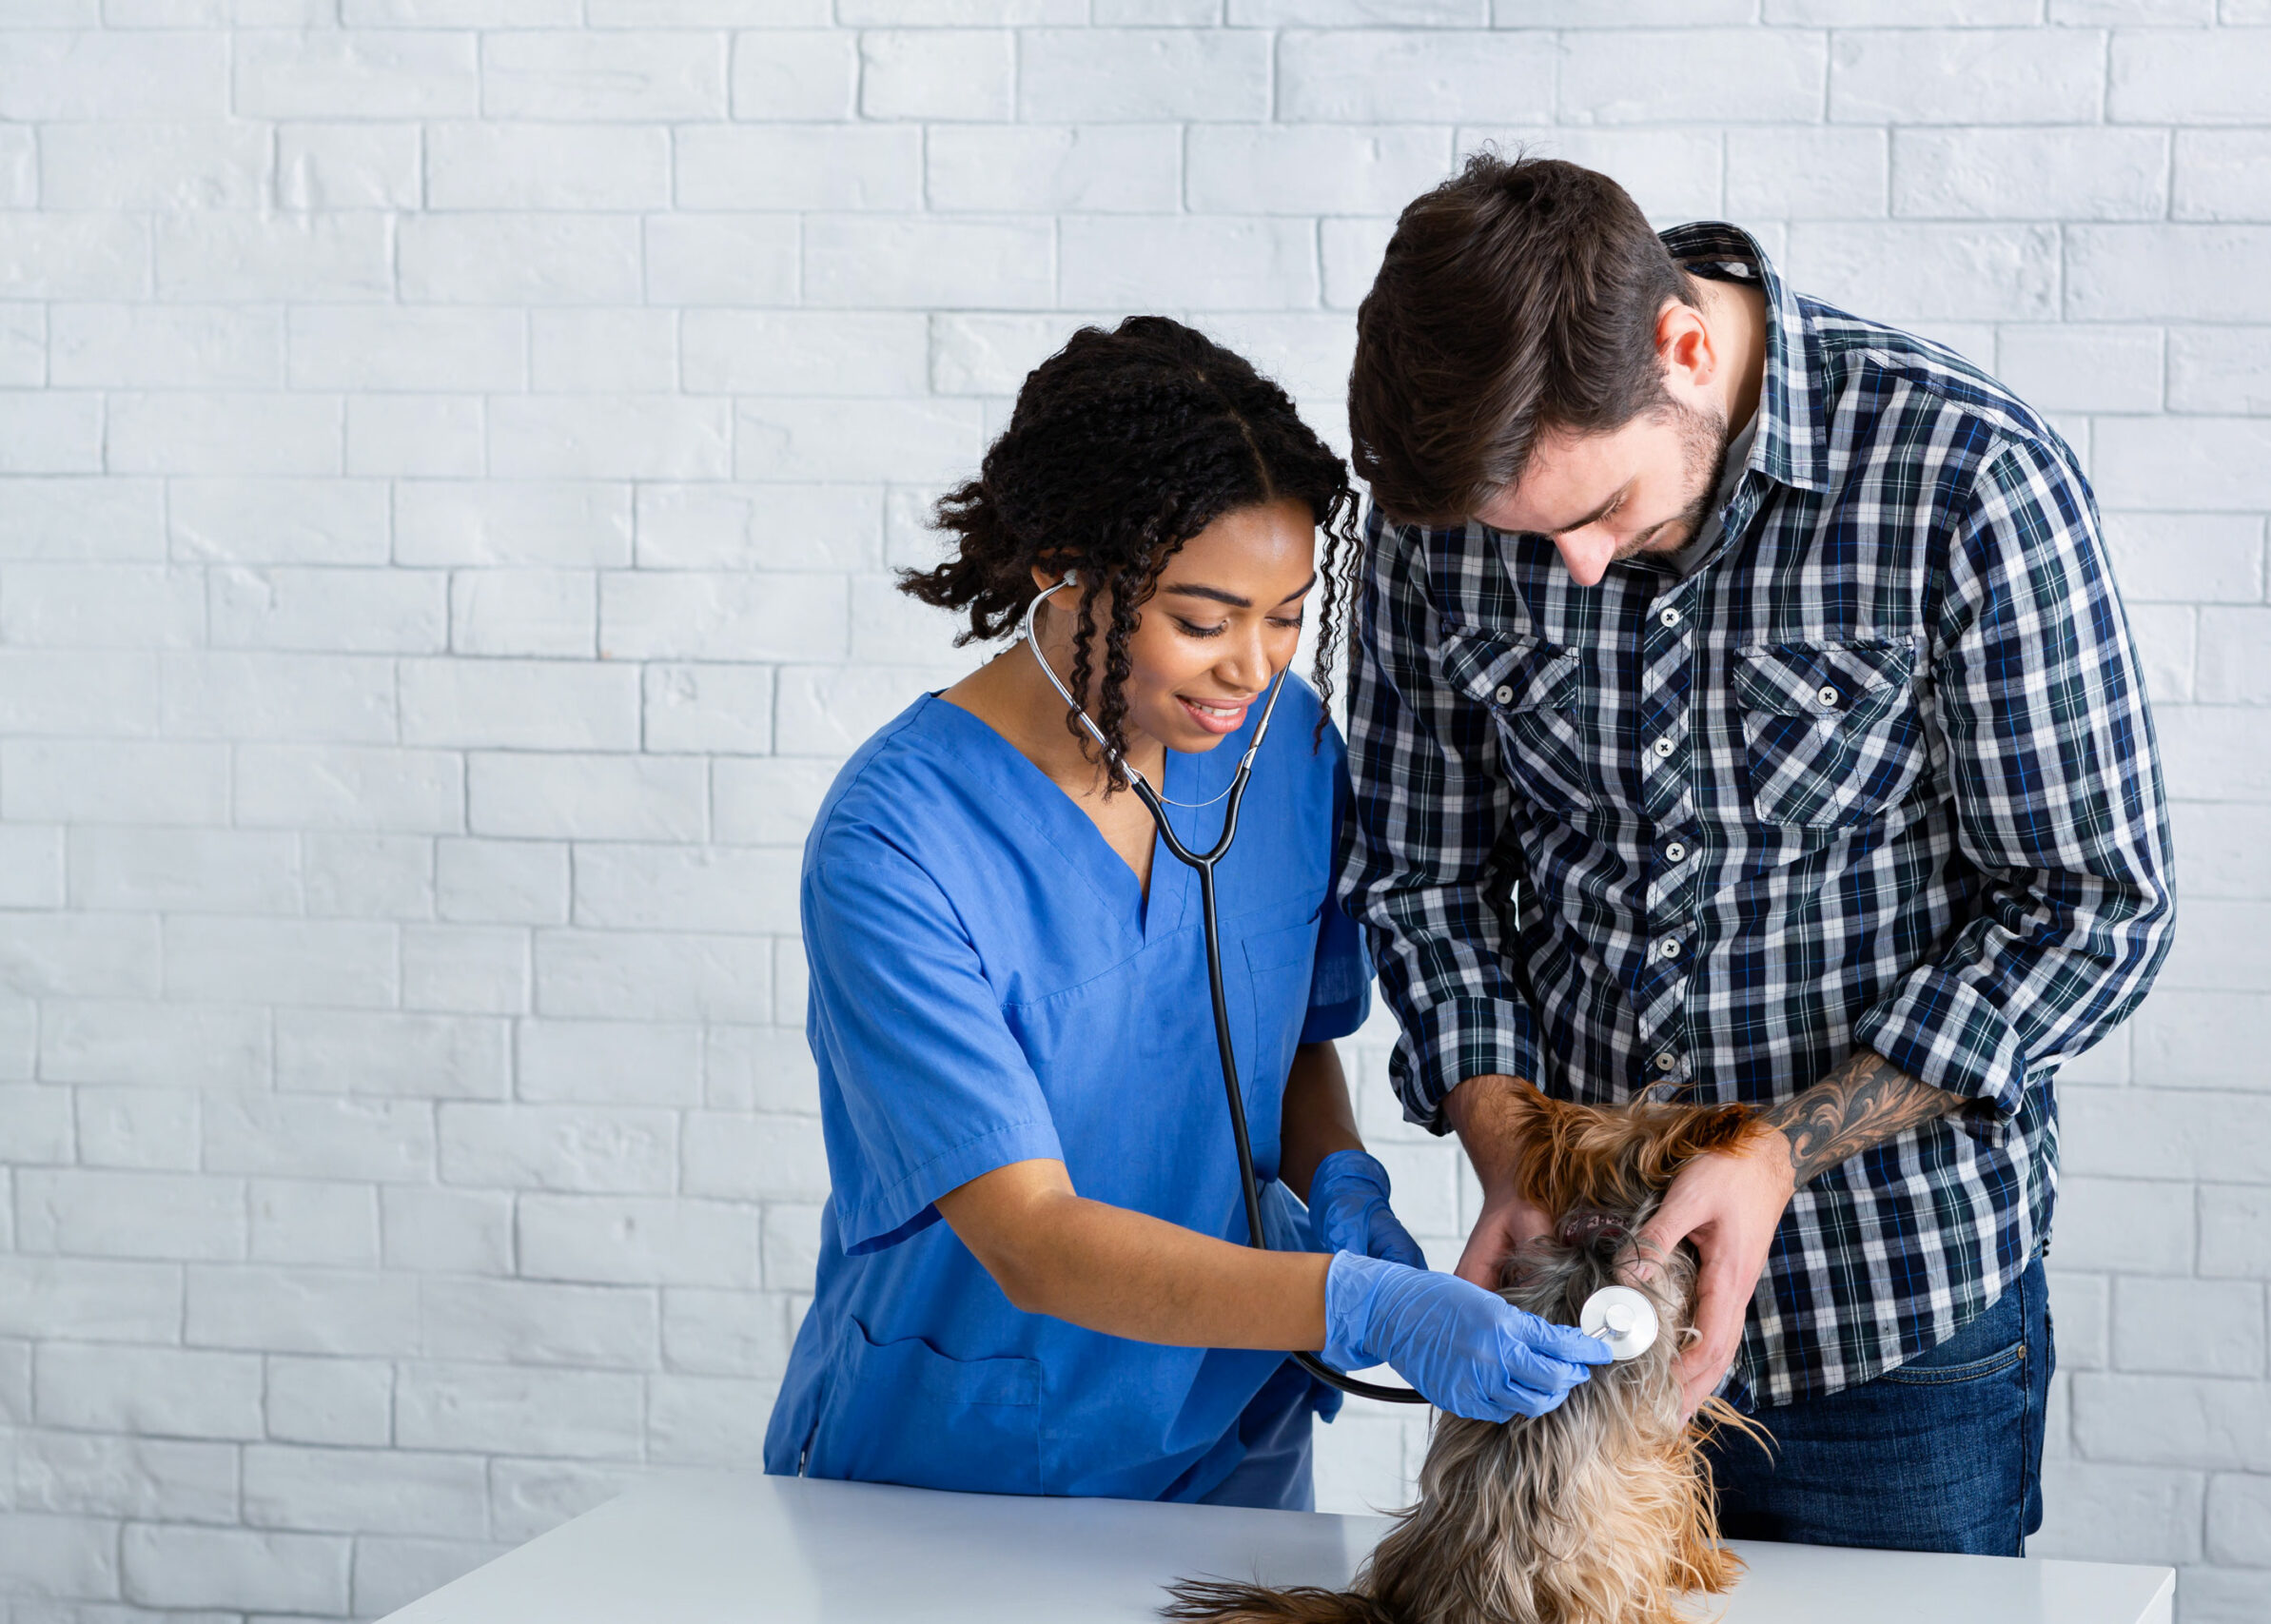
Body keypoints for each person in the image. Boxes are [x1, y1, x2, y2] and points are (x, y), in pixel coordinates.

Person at [1338, 155, 2176, 1555]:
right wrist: (1507, 1145)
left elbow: (2094, 904)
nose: (1581, 570)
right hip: (1574, 1318)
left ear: (1684, 346)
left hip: (1895, 1332)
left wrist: (1780, 1149)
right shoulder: (1459, 514)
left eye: (1605, 511)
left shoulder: (1964, 474)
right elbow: (1426, 877)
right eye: (1532, 540)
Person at [762, 317, 1613, 1510]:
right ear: (1062, 571)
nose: (1252, 668)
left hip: (1234, 1428)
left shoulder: (1283, 746)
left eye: (1285, 615)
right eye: (1204, 622)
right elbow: (1031, 1233)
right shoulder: (897, 843)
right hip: (977, 1453)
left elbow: (1290, 1037)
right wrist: (1351, 1301)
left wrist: (1342, 1189)